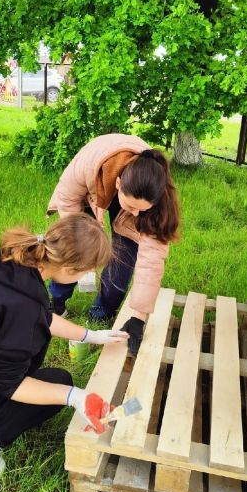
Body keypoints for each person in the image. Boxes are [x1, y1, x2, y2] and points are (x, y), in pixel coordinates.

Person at [0, 213, 128, 486]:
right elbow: (10, 385)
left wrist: (91, 335)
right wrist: (75, 397)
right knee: (61, 383)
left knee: (54, 383)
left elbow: (43, 317)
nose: (89, 276)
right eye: (88, 270)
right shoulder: (22, 307)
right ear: (70, 268)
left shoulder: (12, 262)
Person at [47, 134, 180, 354]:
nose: (137, 214)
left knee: (123, 260)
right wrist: (82, 246)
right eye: (132, 206)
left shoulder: (155, 198)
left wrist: (139, 316)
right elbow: (67, 200)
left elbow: (151, 261)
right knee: (72, 253)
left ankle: (100, 315)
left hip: (130, 192)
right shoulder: (86, 166)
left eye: (142, 210)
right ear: (118, 183)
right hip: (89, 191)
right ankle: (57, 303)